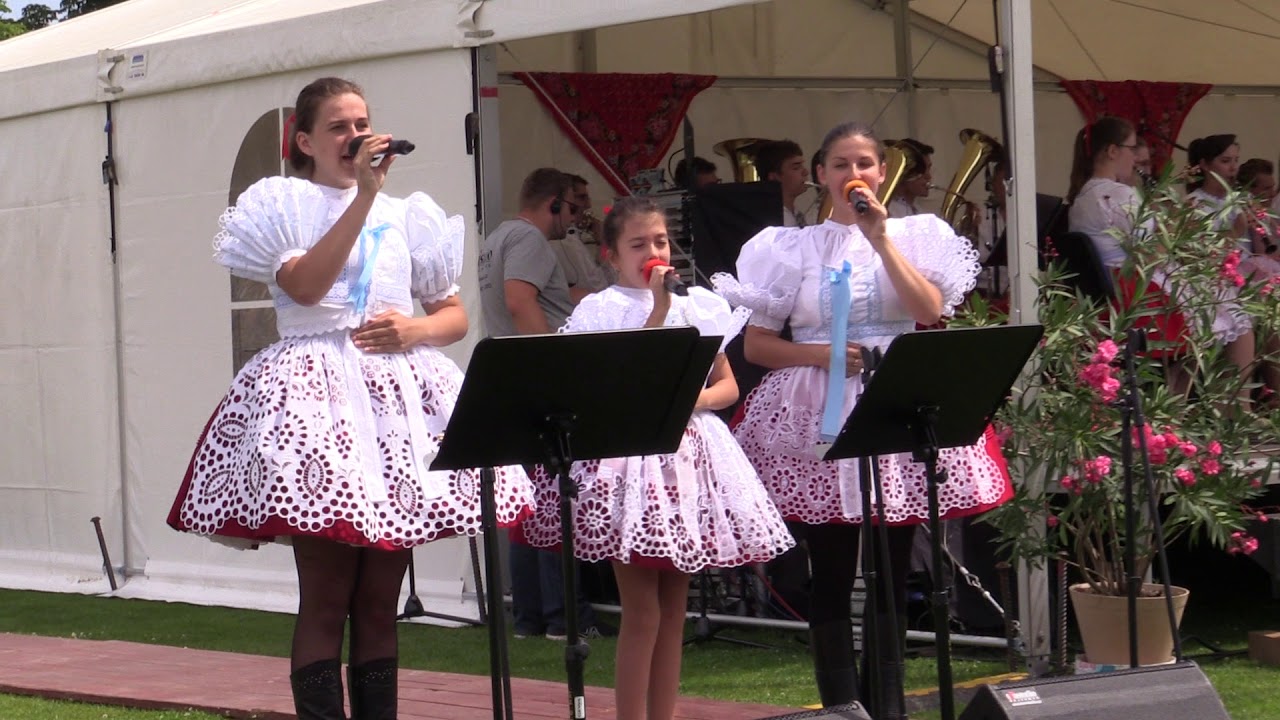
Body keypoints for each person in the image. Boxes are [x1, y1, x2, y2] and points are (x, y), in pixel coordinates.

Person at [166, 77, 534, 720]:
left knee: (378, 601)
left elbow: (452, 317)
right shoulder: (287, 205)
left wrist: (415, 330)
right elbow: (307, 288)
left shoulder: (408, 213)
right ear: (305, 141)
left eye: (362, 123)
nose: (356, 136)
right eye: (339, 126)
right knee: (327, 596)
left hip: (394, 405)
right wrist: (363, 195)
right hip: (316, 402)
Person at [713, 121, 1011, 718]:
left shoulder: (914, 235)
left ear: (881, 172)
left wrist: (880, 239)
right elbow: (757, 347)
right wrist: (821, 354)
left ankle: (889, 705)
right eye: (841, 164)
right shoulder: (789, 248)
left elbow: (929, 310)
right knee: (831, 566)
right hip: (817, 405)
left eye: (865, 164)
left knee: (893, 566)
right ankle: (842, 706)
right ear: (821, 175)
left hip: (895, 397)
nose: (855, 174)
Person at [521, 196, 794, 720]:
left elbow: (728, 386)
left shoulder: (699, 307)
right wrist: (659, 310)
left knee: (673, 611)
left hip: (688, 459)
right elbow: (632, 377)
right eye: (639, 244)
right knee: (642, 610)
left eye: (661, 242)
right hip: (630, 460)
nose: (654, 252)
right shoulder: (601, 310)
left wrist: (692, 400)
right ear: (611, 255)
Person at [477, 167, 605, 640]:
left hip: (512, 377)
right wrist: (551, 364)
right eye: (571, 208)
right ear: (553, 202)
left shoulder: (499, 238)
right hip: (535, 377)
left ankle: (530, 617)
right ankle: (565, 616)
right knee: (555, 499)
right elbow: (519, 300)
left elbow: (530, 296)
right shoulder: (530, 239)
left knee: (529, 504)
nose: (572, 219)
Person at [1066, 120, 1256, 396]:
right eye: (1131, 149)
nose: (1134, 159)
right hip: (1136, 292)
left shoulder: (1084, 195)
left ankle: (1180, 406)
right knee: (1234, 315)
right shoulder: (1118, 193)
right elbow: (1150, 253)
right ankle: (1235, 406)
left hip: (1113, 291)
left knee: (1219, 314)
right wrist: (1176, 228)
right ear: (1112, 151)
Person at [549, 174, 611, 297]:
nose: (588, 205)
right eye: (582, 198)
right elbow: (600, 287)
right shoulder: (566, 241)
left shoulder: (571, 237)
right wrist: (604, 243)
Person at [755, 139, 812, 227]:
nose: (806, 172)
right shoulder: (771, 221)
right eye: (796, 168)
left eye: (802, 166)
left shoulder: (798, 214)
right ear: (774, 177)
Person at [886, 137, 935, 219]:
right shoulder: (886, 211)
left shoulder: (922, 213)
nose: (929, 176)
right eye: (921, 169)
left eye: (928, 169)